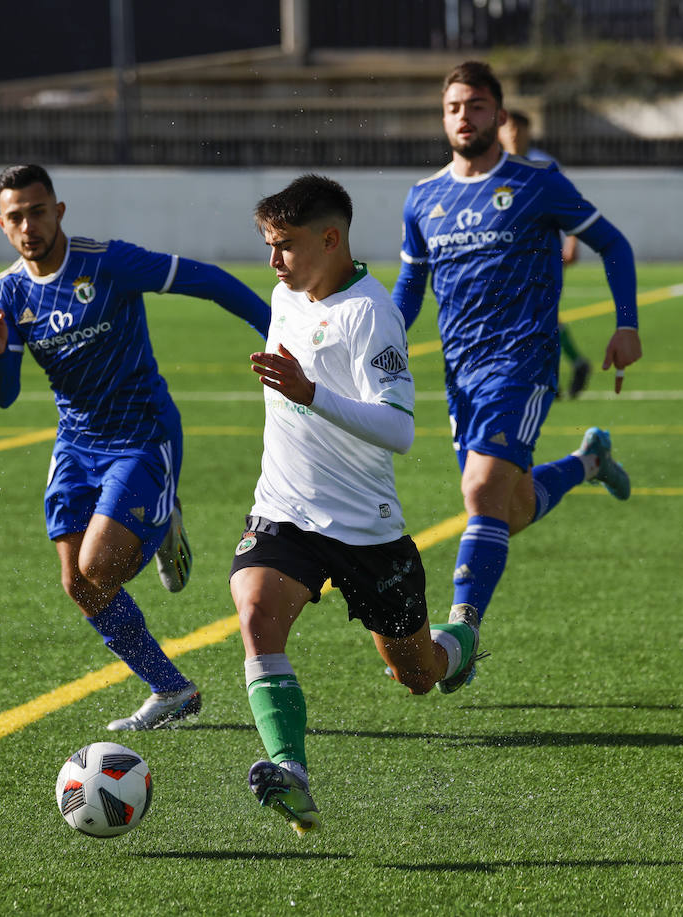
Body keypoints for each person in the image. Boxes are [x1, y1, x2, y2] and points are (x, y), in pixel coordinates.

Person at [0, 164, 271, 731]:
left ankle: (161, 526)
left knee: (98, 566)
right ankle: (171, 689)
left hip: (142, 434)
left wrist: (273, 328)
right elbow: (5, 397)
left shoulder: (105, 261)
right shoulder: (8, 290)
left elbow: (206, 279)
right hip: (75, 444)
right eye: (15, 217)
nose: (28, 225)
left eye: (38, 211)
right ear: (1, 224)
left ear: (58, 211)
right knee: (77, 583)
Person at [231, 174, 479, 835]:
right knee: (255, 612)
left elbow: (399, 428)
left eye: (284, 245)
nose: (274, 261)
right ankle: (292, 773)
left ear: (331, 238)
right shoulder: (285, 295)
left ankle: (456, 646)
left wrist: (312, 393)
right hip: (284, 510)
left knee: (417, 674)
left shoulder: (371, 312)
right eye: (268, 245)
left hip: (366, 529)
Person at [392, 61, 642, 690]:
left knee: (480, 494)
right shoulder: (424, 198)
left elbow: (613, 243)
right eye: (453, 106)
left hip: (523, 363)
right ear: (443, 116)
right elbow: (410, 287)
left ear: (499, 116)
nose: (463, 117)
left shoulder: (537, 183)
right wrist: (374, 342)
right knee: (510, 507)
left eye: (476, 106)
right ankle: (588, 461)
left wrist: (627, 324)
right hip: (461, 373)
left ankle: (462, 632)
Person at [499, 109, 593, 399]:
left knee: (538, 312)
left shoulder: (545, 163)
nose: (514, 134)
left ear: (529, 132)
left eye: (520, 128)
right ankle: (570, 365)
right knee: (533, 313)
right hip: (510, 258)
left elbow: (573, 205)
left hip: (543, 252)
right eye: (509, 128)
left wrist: (573, 242)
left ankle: (546, 377)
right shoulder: (493, 166)